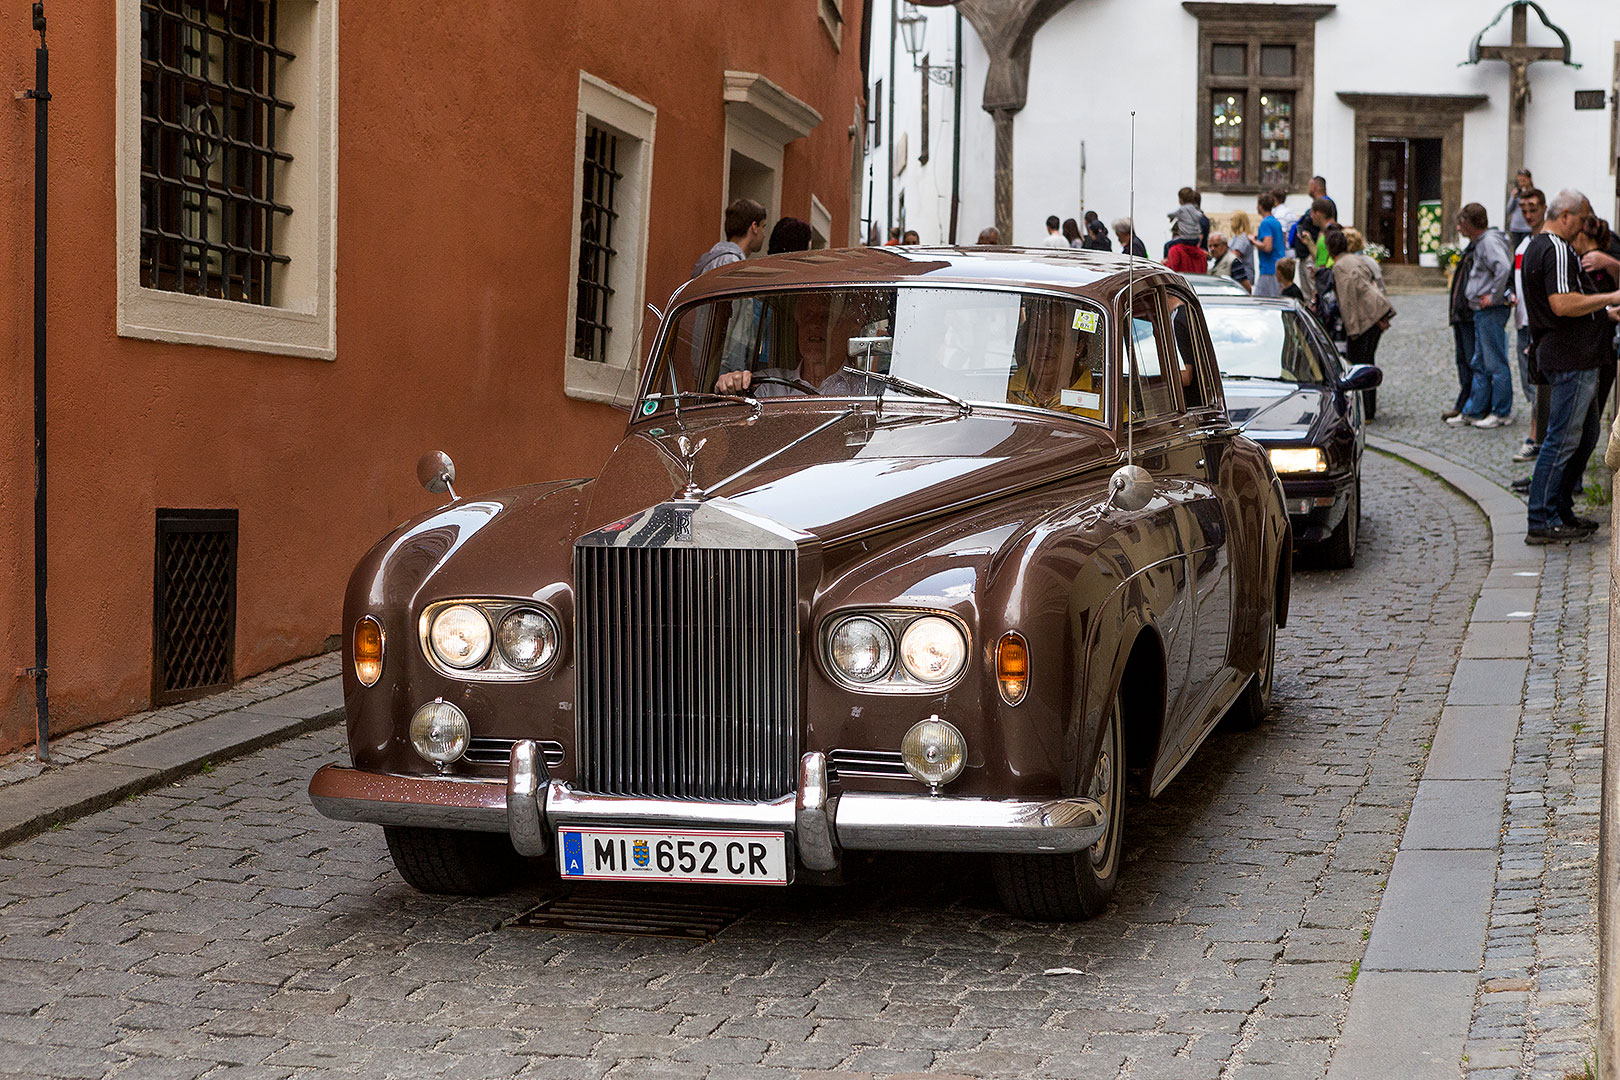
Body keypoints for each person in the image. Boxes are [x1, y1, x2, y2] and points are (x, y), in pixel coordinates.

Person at [1521, 189, 1620, 543]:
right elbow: (1561, 305)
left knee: (1586, 435)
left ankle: (1560, 509)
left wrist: (1603, 313)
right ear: (1565, 215)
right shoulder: (1557, 249)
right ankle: (1541, 518)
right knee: (1562, 440)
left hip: (1567, 353)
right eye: (1581, 219)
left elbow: (1564, 307)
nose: (1583, 228)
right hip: (1570, 357)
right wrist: (1609, 297)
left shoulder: (1538, 246)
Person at [1447, 203, 1516, 428]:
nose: (1458, 228)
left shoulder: (1488, 242)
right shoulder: (1483, 242)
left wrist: (1493, 297)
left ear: (1470, 223)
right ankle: (1473, 411)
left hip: (1490, 310)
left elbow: (1503, 267)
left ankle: (1501, 411)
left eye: (1461, 223)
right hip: (1481, 310)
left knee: (1494, 362)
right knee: (1481, 361)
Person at [1326, 226, 1394, 414]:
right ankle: (1368, 410)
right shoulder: (1355, 259)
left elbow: (1348, 300)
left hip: (1366, 319)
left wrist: (1353, 330)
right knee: (1367, 361)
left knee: (1360, 365)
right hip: (1376, 313)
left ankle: (1366, 411)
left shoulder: (1340, 266)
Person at [1510, 187, 1549, 466]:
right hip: (1522, 322)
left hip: (1538, 324)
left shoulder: (1548, 241)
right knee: (1528, 384)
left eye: (1533, 208)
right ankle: (1537, 436)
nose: (1528, 214)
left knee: (1538, 386)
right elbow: (1516, 279)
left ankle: (1536, 439)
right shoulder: (1524, 243)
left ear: (1544, 207)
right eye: (1524, 210)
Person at [1444, 225, 1479, 421]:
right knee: (1462, 360)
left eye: (1461, 223)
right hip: (1460, 314)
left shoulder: (1478, 249)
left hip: (1467, 313)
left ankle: (1470, 403)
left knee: (1470, 360)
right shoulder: (1469, 249)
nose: (1457, 228)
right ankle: (1464, 400)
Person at [691, 198, 767, 278]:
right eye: (763, 226)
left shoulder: (714, 257)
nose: (764, 234)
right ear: (754, 227)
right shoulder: (731, 263)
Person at [1253, 193, 1285, 297]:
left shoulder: (1265, 223)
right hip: (1278, 267)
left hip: (1269, 269)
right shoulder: (1276, 222)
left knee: (1261, 301)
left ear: (1260, 206)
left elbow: (1267, 247)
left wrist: (1253, 241)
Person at [1166, 188, 1204, 258]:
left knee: (1167, 245)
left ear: (1181, 199)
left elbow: (1170, 214)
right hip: (1195, 239)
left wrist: (1173, 217)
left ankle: (1166, 259)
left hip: (1185, 238)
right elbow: (1200, 215)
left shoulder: (1182, 209)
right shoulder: (1194, 209)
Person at [1228, 211, 1257, 293]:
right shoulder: (1237, 236)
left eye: (1232, 220)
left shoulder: (1242, 237)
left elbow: (1235, 254)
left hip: (1243, 275)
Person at [1506, 168, 1534, 248]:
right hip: (1516, 227)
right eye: (1519, 181)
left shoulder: (1534, 193)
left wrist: (1526, 195)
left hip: (1527, 228)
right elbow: (1508, 210)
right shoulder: (1516, 193)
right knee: (1517, 251)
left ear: (1529, 180)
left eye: (1524, 181)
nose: (1521, 183)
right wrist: (1513, 198)